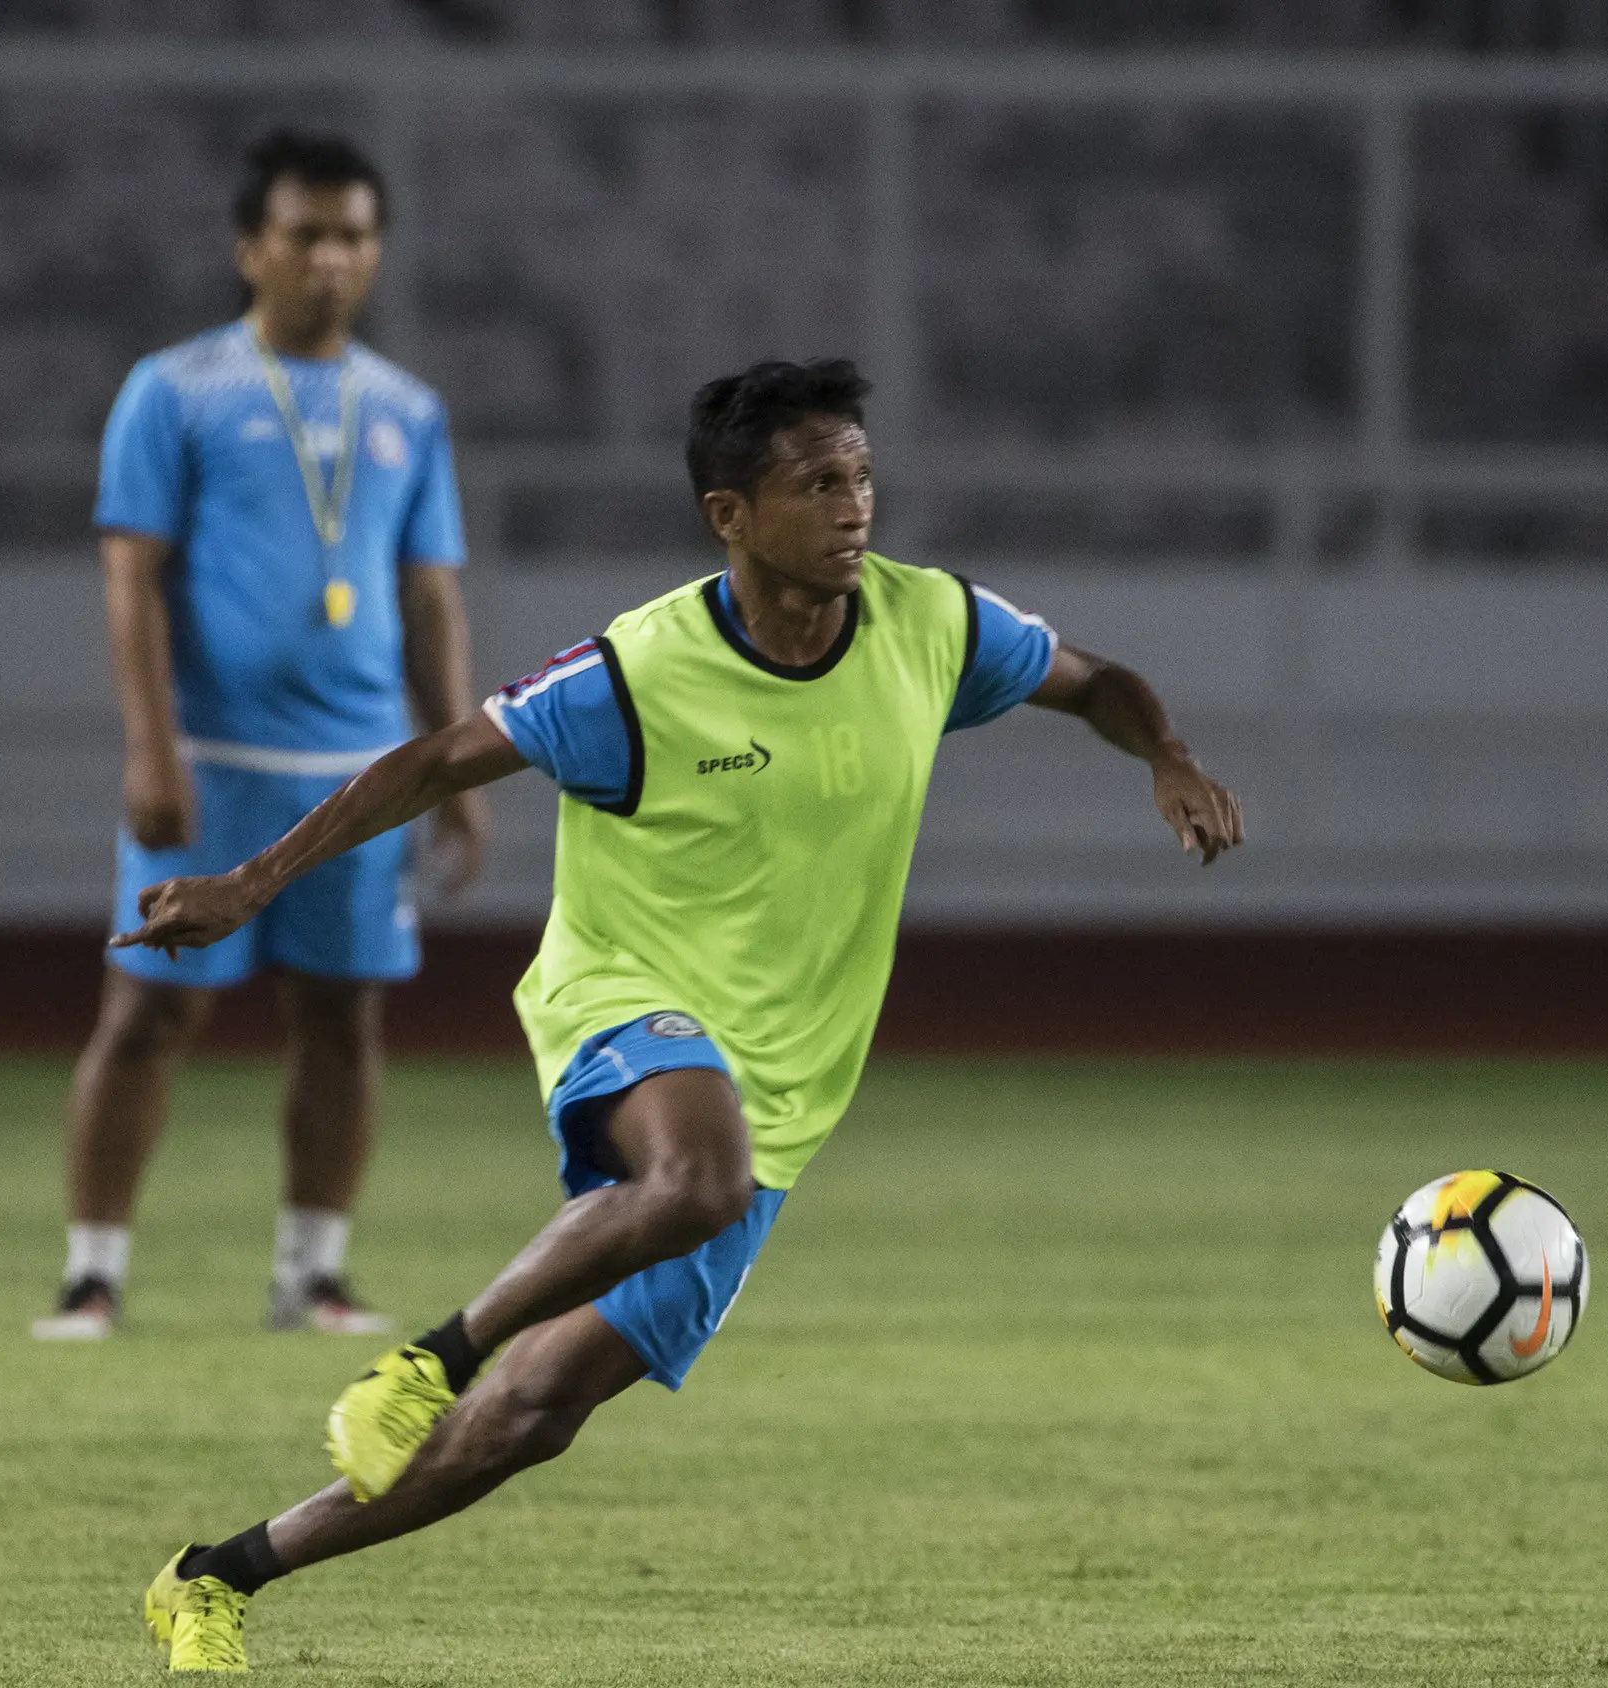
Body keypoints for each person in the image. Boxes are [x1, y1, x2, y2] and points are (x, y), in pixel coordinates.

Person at [114, 358, 1242, 1669]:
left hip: (789, 1083)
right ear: (731, 515)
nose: (855, 506)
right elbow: (434, 760)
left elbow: (1098, 679)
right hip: (624, 994)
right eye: (818, 482)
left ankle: (215, 1576)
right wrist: (251, 882)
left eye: (863, 474)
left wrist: (1166, 752)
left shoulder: (931, 625)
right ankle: (426, 1360)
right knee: (695, 1175)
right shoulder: (637, 673)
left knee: (536, 1413)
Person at [33, 129, 484, 1343]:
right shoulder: (174, 390)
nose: (332, 259)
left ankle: (313, 1276)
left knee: (343, 1015)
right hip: (217, 762)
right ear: (251, 249)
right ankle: (92, 1274)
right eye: (306, 235)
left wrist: (460, 767)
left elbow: (432, 593)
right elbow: (131, 576)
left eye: (354, 236)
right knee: (148, 1010)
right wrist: (151, 745)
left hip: (362, 769)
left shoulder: (408, 409)